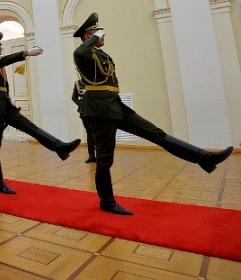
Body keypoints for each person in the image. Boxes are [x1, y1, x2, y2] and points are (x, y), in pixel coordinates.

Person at [73, 13, 234, 215]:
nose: (103, 36)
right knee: (105, 159)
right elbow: (80, 52)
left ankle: (203, 158)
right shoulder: (83, 54)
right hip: (98, 111)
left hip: (115, 106)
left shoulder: (101, 54)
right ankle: (107, 201)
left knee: (156, 133)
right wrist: (95, 38)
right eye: (98, 33)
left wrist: (96, 38)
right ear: (89, 36)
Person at [0, 33, 81, 195]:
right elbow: (2, 62)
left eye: (0, 45)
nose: (0, 47)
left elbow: (3, 88)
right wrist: (24, 53)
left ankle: (59, 147)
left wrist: (9, 103)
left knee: (31, 128)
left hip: (5, 106)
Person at [71, 80, 96, 163]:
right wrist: (82, 104)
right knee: (89, 133)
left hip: (95, 110)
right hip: (84, 112)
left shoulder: (95, 81)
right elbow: (74, 97)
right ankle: (91, 155)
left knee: (97, 133)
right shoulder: (78, 83)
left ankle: (100, 155)